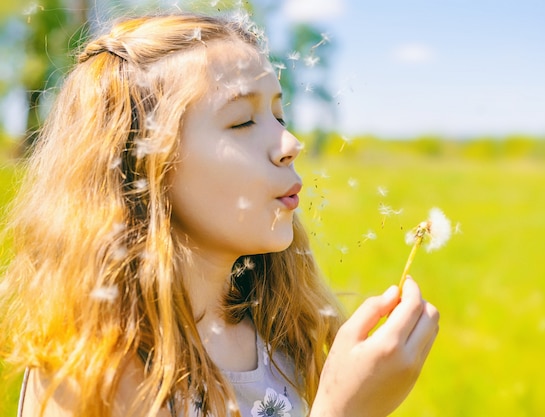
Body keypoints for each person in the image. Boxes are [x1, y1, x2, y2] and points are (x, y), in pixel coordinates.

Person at [0, 12, 439, 417]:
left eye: (279, 115)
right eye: (242, 122)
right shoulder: (96, 372)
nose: (290, 145)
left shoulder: (282, 335)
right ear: (146, 166)